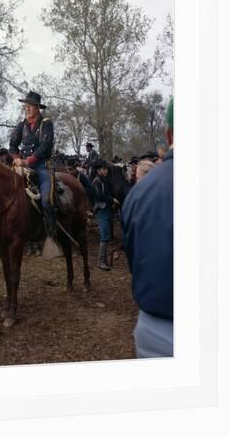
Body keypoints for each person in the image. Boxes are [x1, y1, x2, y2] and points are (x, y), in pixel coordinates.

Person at [121, 98, 174, 358]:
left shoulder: (140, 192)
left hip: (155, 330)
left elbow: (133, 257)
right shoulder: (24, 126)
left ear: (169, 133)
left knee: (48, 192)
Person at [9, 90, 61, 259]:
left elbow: (45, 147)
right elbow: (12, 145)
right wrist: (17, 158)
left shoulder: (46, 124)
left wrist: (27, 161)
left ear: (38, 107)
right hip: (22, 165)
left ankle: (51, 236)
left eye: (31, 105)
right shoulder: (21, 125)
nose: (28, 108)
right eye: (27, 105)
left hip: (41, 166)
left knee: (46, 200)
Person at [92, 159, 117, 271]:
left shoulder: (104, 180)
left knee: (106, 236)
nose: (106, 171)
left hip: (107, 210)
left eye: (106, 169)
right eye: (103, 169)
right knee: (104, 236)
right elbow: (98, 196)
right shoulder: (97, 181)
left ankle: (105, 259)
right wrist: (112, 200)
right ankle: (101, 261)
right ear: (99, 170)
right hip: (101, 210)